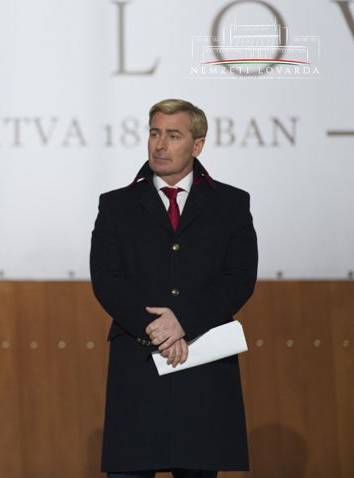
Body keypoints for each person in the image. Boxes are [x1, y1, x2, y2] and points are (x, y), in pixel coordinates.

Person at [90, 99, 257, 478]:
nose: (160, 144)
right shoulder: (116, 205)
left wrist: (184, 322)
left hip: (203, 362)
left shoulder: (231, 204)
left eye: (173, 135)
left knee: (197, 465)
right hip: (138, 361)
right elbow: (106, 278)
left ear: (197, 145)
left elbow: (239, 277)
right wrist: (156, 329)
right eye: (154, 133)